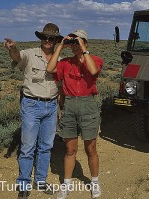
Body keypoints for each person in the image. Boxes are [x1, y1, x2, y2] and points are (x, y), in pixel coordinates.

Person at [4, 23, 63, 199]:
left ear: (55, 41)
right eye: (44, 37)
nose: (47, 40)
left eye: (51, 38)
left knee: (46, 146)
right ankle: (23, 184)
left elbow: (59, 87)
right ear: (41, 38)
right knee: (28, 147)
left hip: (52, 106)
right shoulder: (30, 54)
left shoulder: (59, 60)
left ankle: (41, 181)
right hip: (31, 105)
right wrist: (13, 48)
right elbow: (16, 58)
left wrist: (59, 108)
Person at [46, 29, 103, 199]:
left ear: (86, 43)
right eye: (74, 44)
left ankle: (94, 182)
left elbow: (93, 72)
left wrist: (84, 50)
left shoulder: (95, 60)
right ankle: (67, 184)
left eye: (79, 42)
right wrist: (61, 46)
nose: (75, 46)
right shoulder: (65, 63)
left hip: (88, 104)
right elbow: (50, 68)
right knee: (70, 149)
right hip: (69, 105)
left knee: (90, 148)